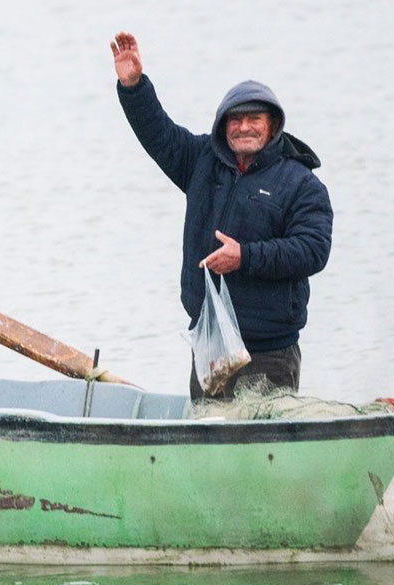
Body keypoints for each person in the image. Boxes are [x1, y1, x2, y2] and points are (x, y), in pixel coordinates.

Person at [110, 31, 333, 400]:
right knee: (208, 446)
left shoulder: (301, 183)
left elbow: (313, 251)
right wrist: (133, 85)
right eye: (235, 119)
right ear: (222, 125)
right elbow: (158, 134)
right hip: (210, 346)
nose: (244, 127)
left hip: (269, 352)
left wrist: (244, 257)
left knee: (264, 452)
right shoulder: (201, 162)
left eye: (254, 119)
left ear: (273, 125)